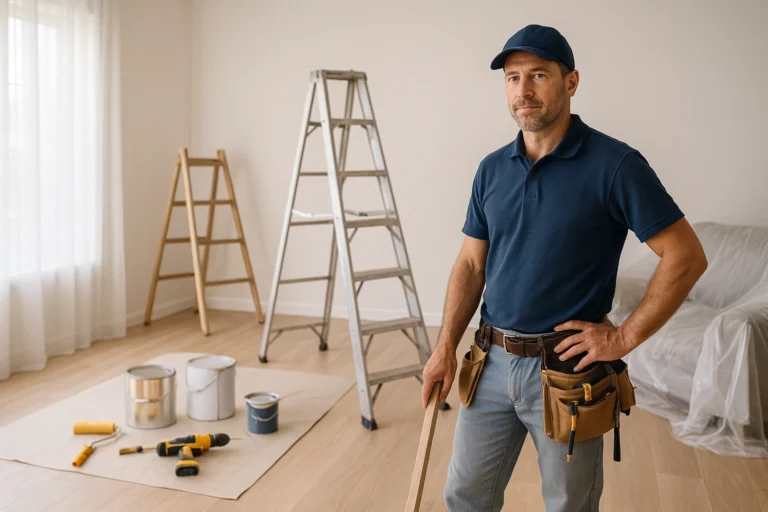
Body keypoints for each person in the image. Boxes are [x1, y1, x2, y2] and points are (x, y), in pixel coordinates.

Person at [420, 24, 709, 512]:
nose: (523, 90)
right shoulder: (491, 169)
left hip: (567, 373)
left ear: (571, 82)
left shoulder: (615, 165)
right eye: (512, 78)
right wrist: (444, 347)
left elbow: (686, 255)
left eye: (538, 75)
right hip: (489, 362)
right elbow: (471, 264)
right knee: (465, 498)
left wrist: (622, 339)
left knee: (569, 505)